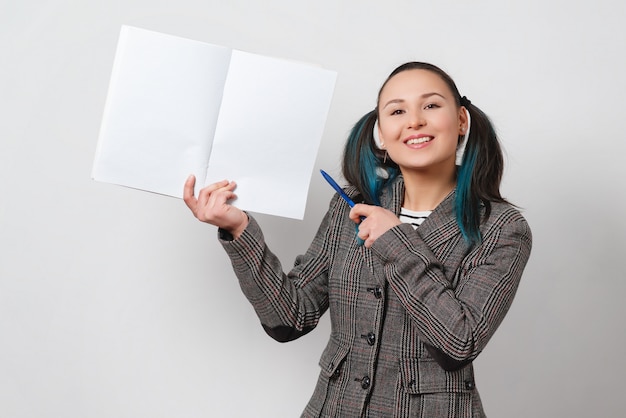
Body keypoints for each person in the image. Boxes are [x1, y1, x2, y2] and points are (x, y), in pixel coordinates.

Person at [183, 62, 532, 418]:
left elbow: (458, 343)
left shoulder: (503, 228)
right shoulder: (350, 205)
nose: (414, 121)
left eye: (430, 105)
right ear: (381, 133)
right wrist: (239, 229)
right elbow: (289, 318)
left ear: (461, 120)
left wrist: (396, 241)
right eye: (397, 110)